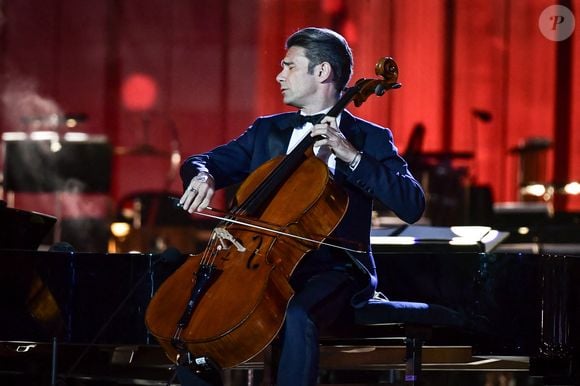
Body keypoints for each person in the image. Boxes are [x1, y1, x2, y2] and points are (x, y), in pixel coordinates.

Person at [177, 27, 425, 386]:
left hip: (335, 270)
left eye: (289, 65)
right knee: (194, 311)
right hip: (260, 264)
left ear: (322, 72)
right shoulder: (267, 131)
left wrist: (353, 157)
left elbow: (411, 204)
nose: (279, 75)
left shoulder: (368, 138)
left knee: (297, 313)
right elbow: (204, 161)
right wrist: (203, 177)